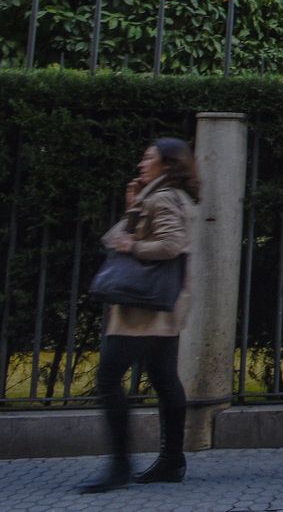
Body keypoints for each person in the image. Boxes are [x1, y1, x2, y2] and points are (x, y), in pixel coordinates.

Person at [80, 137, 200, 494]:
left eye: (148, 158)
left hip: (142, 308)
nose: (141, 163)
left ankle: (120, 466)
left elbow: (171, 244)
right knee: (163, 377)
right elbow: (120, 236)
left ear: (168, 164)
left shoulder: (163, 197)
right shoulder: (167, 195)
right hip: (161, 304)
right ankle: (171, 461)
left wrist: (133, 244)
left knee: (107, 379)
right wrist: (133, 209)